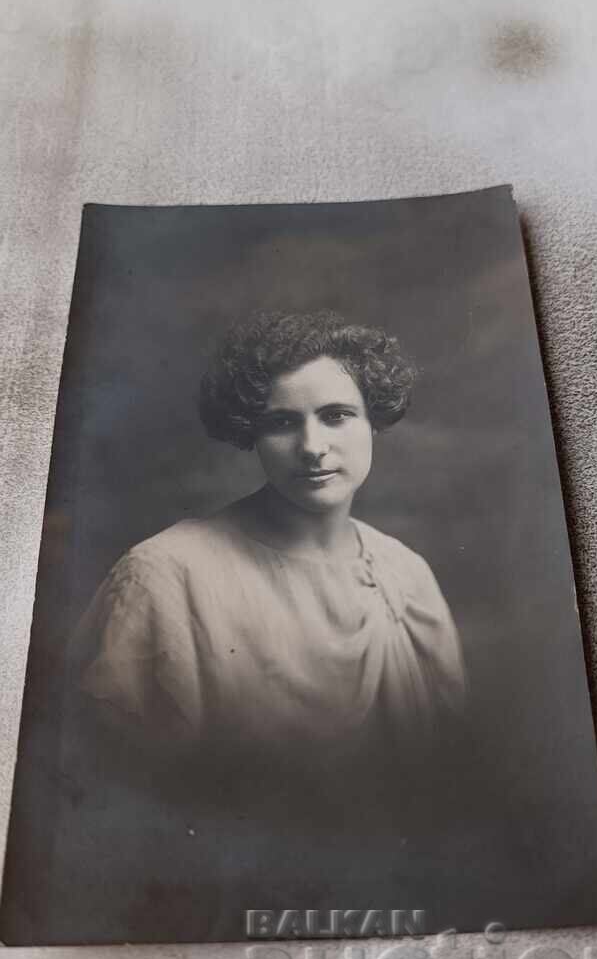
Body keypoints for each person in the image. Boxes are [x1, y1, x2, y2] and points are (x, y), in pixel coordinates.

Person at [69, 311, 464, 824]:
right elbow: (115, 794)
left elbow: (448, 773)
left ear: (373, 421)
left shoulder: (408, 575)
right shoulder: (167, 573)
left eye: (337, 415)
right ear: (250, 433)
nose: (312, 447)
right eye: (281, 422)